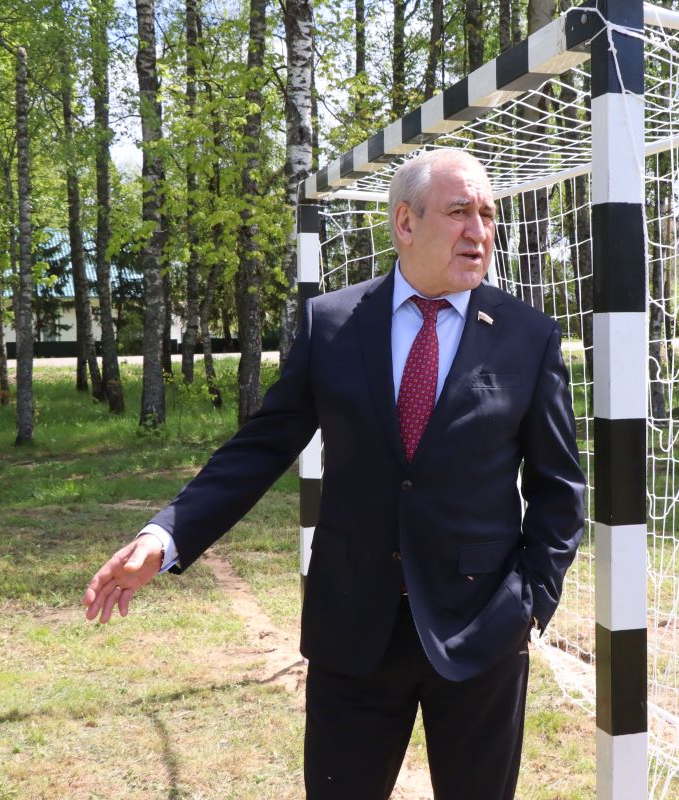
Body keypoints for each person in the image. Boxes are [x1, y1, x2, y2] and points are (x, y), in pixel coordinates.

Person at [82, 148, 586, 800]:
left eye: (487, 215)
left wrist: (528, 603)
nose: (479, 231)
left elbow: (559, 489)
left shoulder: (528, 337)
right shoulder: (333, 324)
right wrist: (166, 535)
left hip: (481, 630)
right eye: (460, 212)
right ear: (405, 223)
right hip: (351, 630)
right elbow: (260, 448)